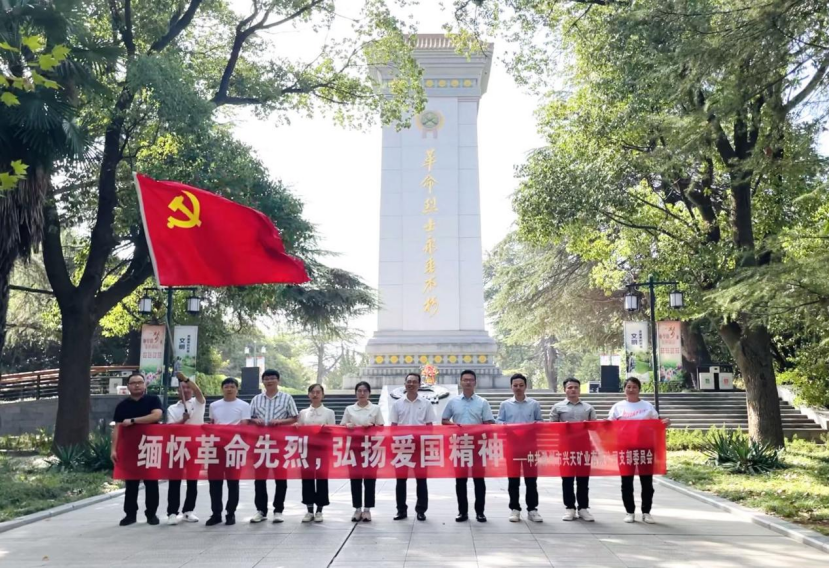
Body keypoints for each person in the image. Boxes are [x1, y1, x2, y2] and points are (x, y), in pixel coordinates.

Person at [608, 377, 671, 524]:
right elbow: (609, 425)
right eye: (628, 387)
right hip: (625, 448)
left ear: (639, 389)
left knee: (647, 482)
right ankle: (629, 512)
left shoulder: (647, 406)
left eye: (634, 387)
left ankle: (646, 512)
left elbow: (657, 423)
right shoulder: (618, 407)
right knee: (626, 481)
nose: (631, 389)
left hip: (645, 448)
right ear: (624, 389)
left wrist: (665, 423)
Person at [442, 369, 495, 523]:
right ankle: (462, 512)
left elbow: (489, 422)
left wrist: (478, 429)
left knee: (479, 480)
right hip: (460, 445)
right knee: (460, 480)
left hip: (478, 446)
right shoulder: (453, 402)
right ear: (460, 382)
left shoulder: (483, 402)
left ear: (475, 382)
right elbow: (444, 420)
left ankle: (480, 512)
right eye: (465, 380)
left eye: (471, 380)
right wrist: (455, 426)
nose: (468, 382)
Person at [111, 372, 163, 526]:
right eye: (133, 383)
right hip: (130, 449)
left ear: (145, 385)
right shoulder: (122, 406)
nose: (137, 385)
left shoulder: (153, 400)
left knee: (151, 482)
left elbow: (156, 416)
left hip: (150, 446)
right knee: (131, 483)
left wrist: (133, 421)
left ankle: (151, 514)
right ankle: (130, 514)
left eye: (140, 382)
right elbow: (117, 428)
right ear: (128, 386)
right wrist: (113, 449)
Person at [249, 369, 298, 524]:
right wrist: (254, 420)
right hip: (260, 444)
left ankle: (278, 510)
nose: (269, 381)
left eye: (272, 378)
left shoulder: (287, 398)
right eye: (266, 378)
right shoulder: (256, 399)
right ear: (263, 381)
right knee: (259, 478)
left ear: (278, 380)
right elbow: (249, 418)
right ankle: (261, 510)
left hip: (279, 444)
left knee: (280, 478)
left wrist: (280, 422)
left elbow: (294, 418)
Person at [389, 372, 436, 521]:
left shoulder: (426, 404)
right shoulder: (397, 404)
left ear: (419, 384)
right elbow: (393, 426)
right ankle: (401, 510)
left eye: (414, 382)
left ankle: (421, 510)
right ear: (405, 384)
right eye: (409, 382)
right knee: (400, 480)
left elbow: (430, 426)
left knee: (421, 480)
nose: (411, 384)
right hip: (402, 446)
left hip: (420, 447)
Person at [497, 373, 543, 523]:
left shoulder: (534, 404)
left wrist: (532, 426)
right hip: (512, 446)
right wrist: (507, 426)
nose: (518, 388)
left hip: (530, 446)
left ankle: (532, 509)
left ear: (526, 386)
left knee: (531, 479)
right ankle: (515, 509)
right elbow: (499, 421)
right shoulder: (505, 405)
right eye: (515, 385)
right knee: (513, 479)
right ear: (511, 387)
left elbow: (540, 422)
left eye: (521, 385)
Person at [550, 377, 597, 522]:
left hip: (584, 447)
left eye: (576, 387)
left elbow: (595, 427)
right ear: (565, 390)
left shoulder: (588, 408)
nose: (573, 390)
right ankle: (569, 507)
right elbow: (551, 427)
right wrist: (562, 426)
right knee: (567, 479)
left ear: (579, 389)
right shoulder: (557, 407)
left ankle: (583, 508)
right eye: (570, 387)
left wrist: (588, 426)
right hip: (566, 447)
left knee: (583, 478)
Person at [206, 377, 251, 526]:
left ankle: (230, 513)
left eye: (232, 386)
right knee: (214, 482)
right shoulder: (214, 405)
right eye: (226, 387)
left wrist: (226, 431)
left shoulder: (244, 405)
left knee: (233, 481)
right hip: (216, 447)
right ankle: (216, 513)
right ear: (222, 389)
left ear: (237, 389)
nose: (229, 389)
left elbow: (244, 425)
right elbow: (212, 423)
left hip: (234, 447)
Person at [165, 371, 206, 525]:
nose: (186, 390)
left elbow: (198, 391)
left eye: (188, 387)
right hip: (177, 447)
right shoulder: (172, 408)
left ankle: (188, 511)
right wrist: (182, 420)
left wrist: (185, 379)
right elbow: (170, 427)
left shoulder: (199, 402)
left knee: (192, 480)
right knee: (174, 480)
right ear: (178, 390)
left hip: (195, 446)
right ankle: (172, 512)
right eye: (183, 388)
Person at [341, 381, 383, 522]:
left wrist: (372, 426)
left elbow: (381, 427)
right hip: (354, 449)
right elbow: (341, 427)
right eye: (359, 390)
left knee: (370, 479)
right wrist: (347, 425)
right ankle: (357, 508)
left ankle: (367, 510)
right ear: (356, 393)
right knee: (355, 479)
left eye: (365, 391)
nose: (362, 393)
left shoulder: (375, 409)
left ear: (369, 393)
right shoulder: (349, 409)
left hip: (371, 448)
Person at [297, 383, 335, 523]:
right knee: (307, 479)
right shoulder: (303, 413)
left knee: (321, 479)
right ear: (308, 395)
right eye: (312, 392)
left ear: (323, 395)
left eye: (318, 392)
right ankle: (309, 509)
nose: (315, 395)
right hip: (306, 450)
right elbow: (300, 430)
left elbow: (333, 430)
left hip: (322, 450)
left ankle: (319, 510)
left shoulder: (329, 412)